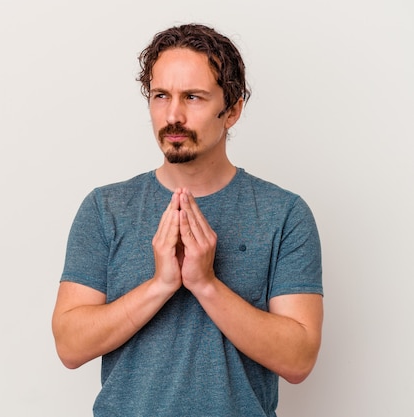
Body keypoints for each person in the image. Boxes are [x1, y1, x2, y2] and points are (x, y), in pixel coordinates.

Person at [51, 23, 323, 417]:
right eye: (161, 96)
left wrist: (205, 284)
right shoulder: (105, 208)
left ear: (231, 110)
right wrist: (161, 284)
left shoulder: (284, 213)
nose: (173, 115)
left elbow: (298, 360)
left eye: (193, 97)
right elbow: (70, 346)